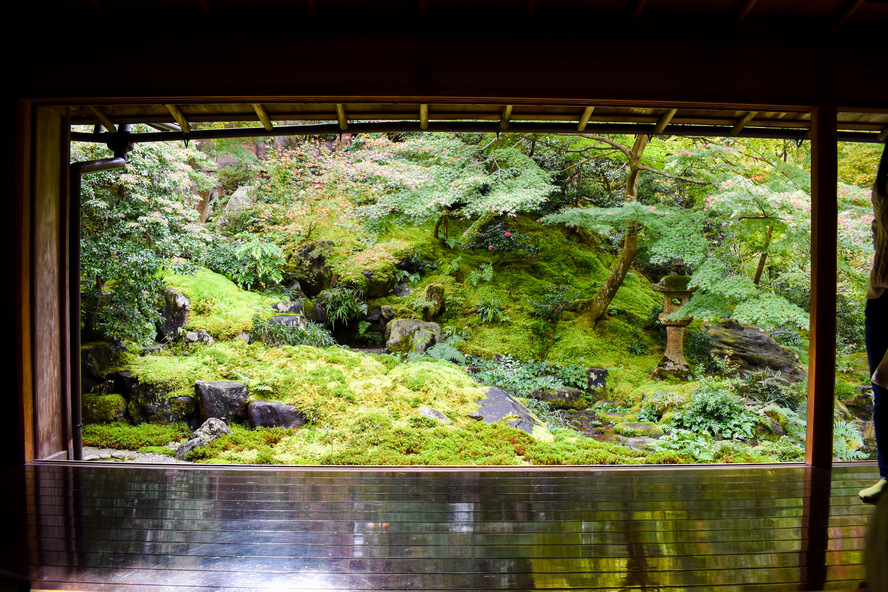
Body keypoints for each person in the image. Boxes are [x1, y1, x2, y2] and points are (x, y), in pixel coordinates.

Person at [860, 142, 888, 504]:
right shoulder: (881, 205)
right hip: (880, 299)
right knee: (881, 393)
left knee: (885, 381)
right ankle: (887, 474)